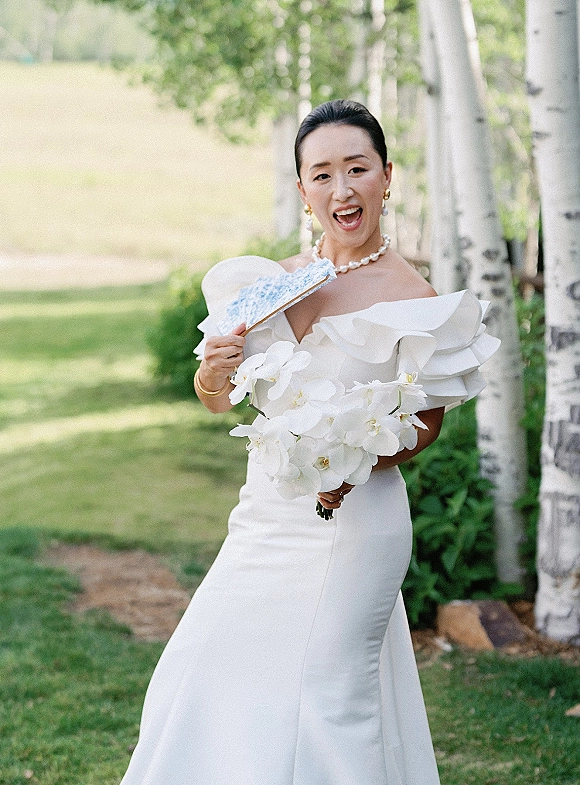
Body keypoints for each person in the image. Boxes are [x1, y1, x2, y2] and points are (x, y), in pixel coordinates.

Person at [119, 99, 499, 785]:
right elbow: (216, 399)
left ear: (387, 175)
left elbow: (425, 426)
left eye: (357, 169)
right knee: (206, 664)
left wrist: (353, 460)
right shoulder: (270, 282)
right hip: (264, 516)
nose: (341, 189)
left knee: (330, 698)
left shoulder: (415, 297)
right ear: (302, 190)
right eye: (322, 174)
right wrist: (211, 372)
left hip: (354, 523)